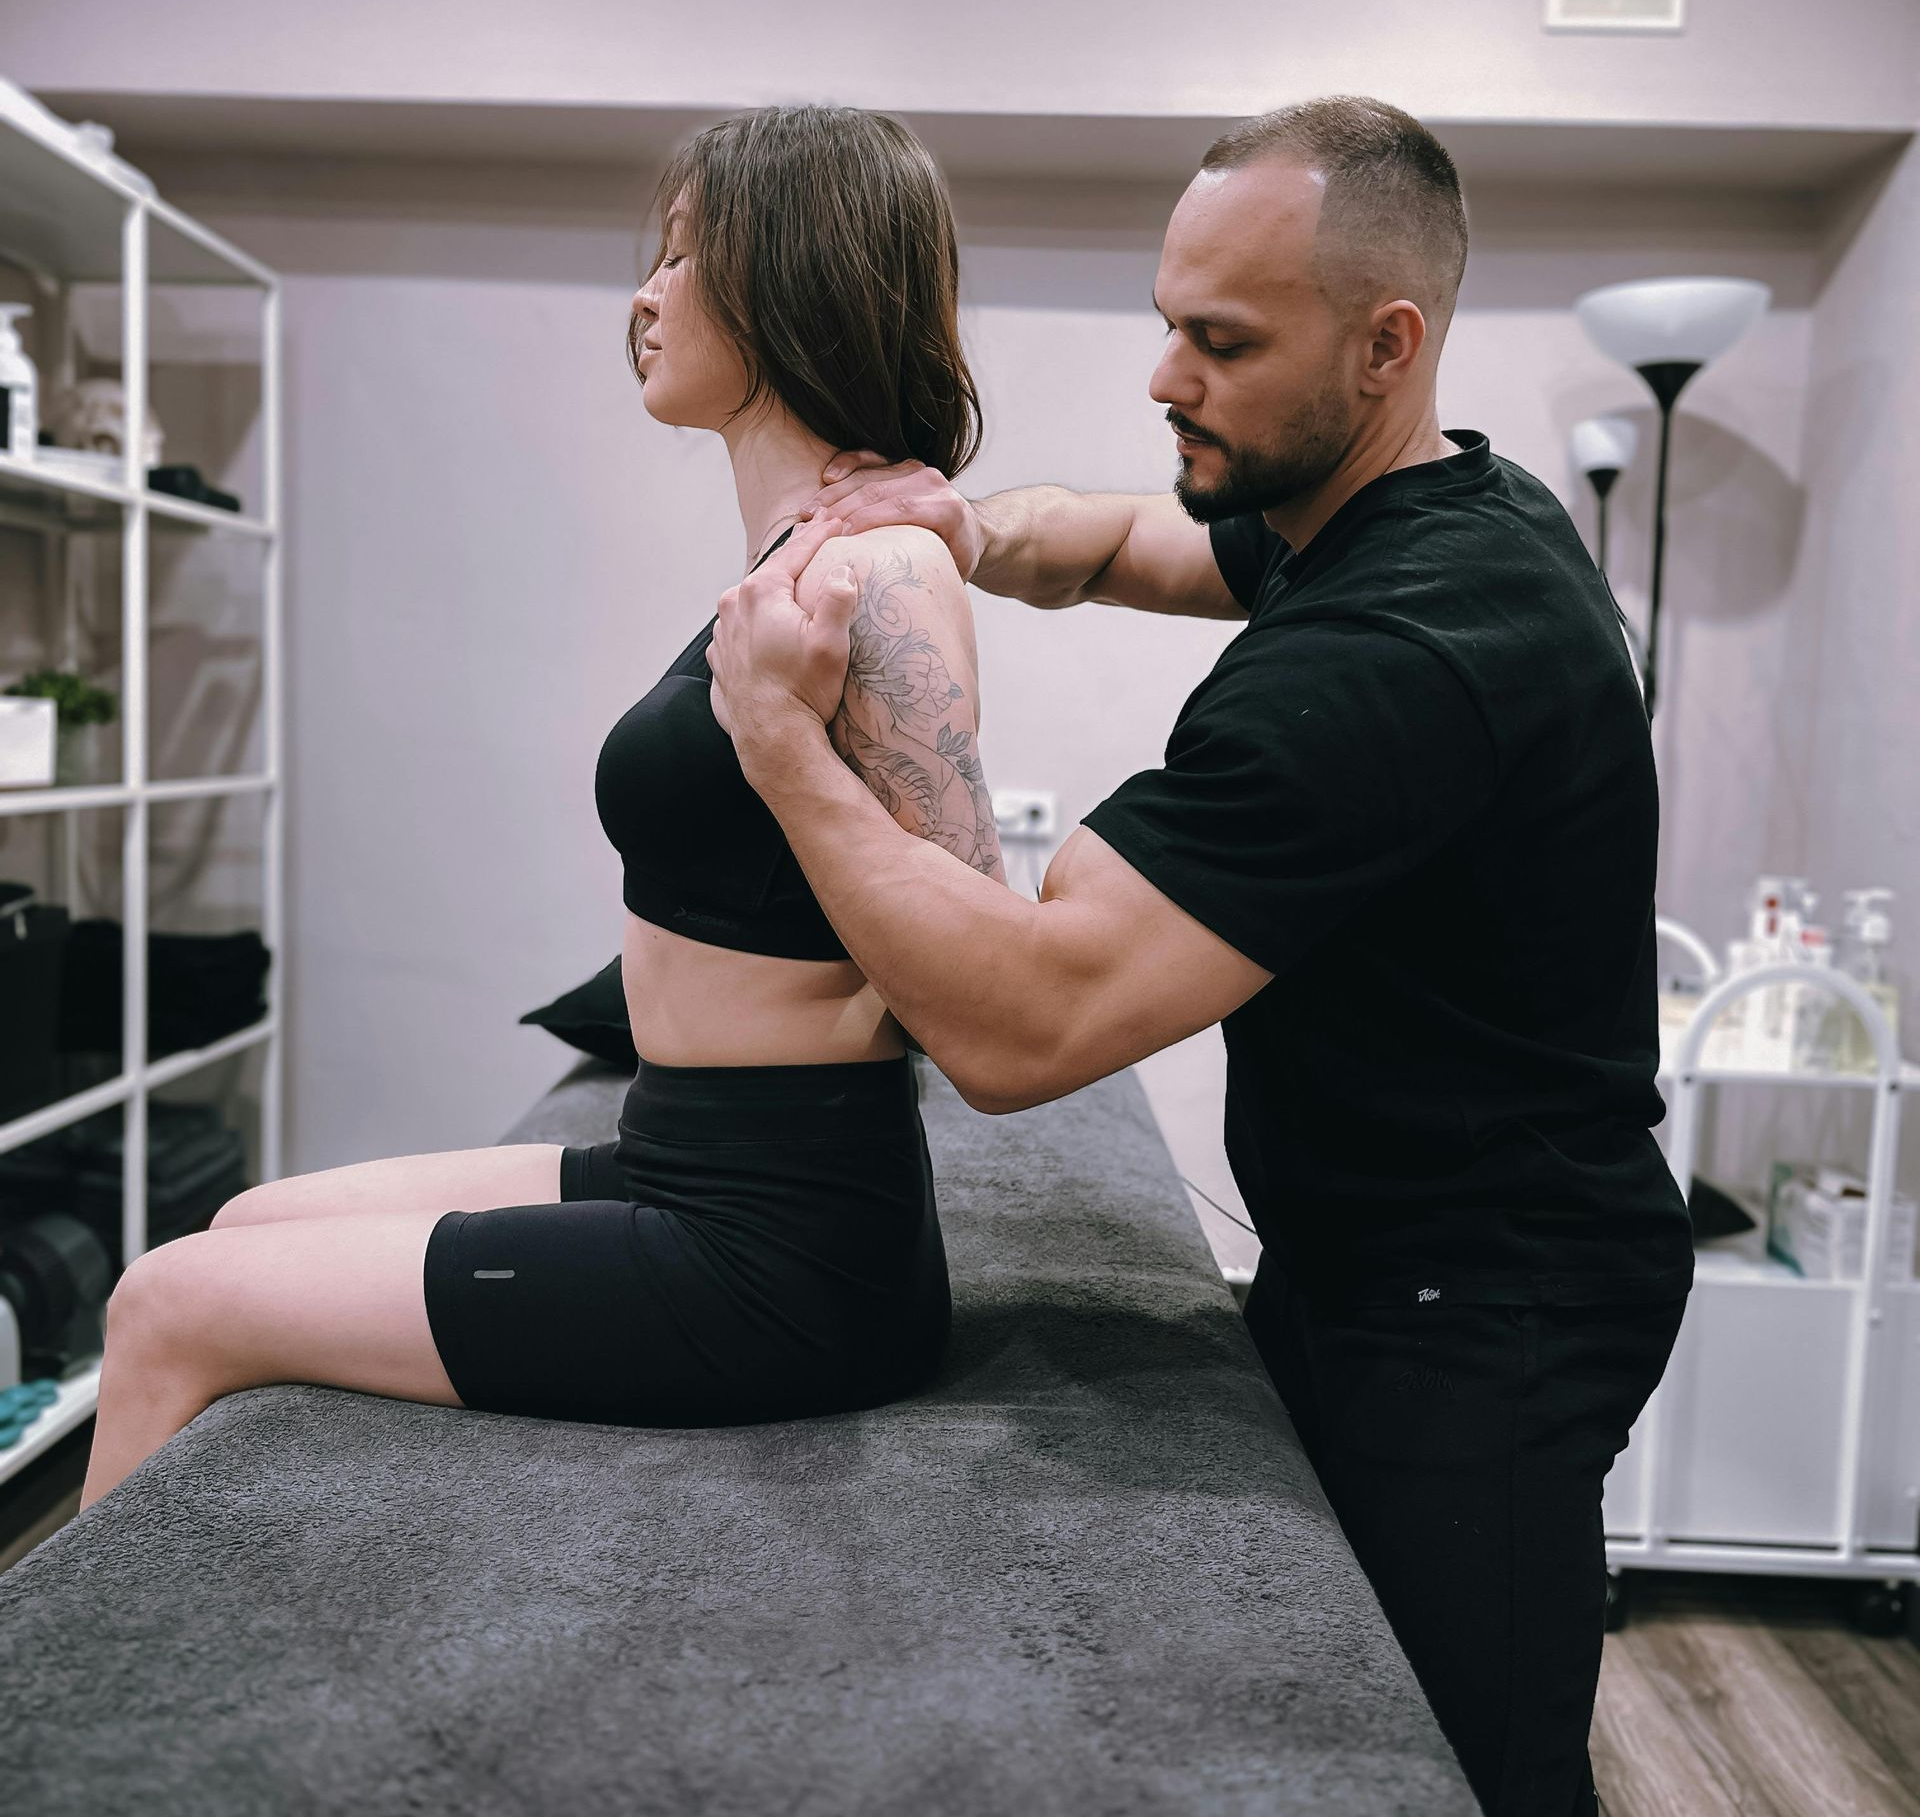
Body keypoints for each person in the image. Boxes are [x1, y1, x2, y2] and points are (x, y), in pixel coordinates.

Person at [706, 95, 1694, 1817]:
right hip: (1368, 1251)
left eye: (1219, 342)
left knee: (1458, 1765)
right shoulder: (1409, 505)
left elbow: (1027, 1026)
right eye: (1170, 321)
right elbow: (1121, 541)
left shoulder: (1406, 647)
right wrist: (952, 527)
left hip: (1489, 1304)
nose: (1166, 376)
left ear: (1386, 346)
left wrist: (784, 748)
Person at [79, 103, 1001, 1509]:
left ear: (789, 274)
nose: (643, 297)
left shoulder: (880, 576)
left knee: (165, 1301)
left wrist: (784, 751)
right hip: (677, 1157)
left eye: (685, 258)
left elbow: (977, 971)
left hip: (783, 1250)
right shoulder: (804, 556)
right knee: (245, 1217)